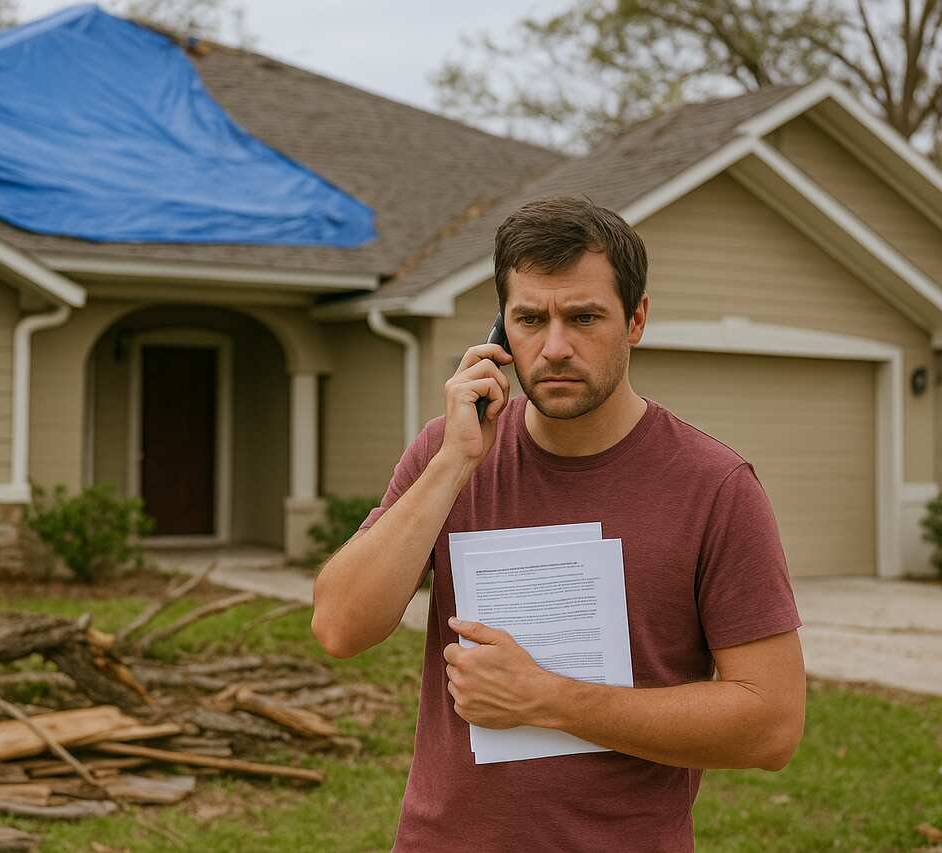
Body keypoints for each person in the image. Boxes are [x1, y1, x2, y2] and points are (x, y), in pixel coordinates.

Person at [311, 196, 806, 852]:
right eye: (529, 318)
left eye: (583, 317)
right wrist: (456, 461)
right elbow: (340, 626)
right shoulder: (449, 451)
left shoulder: (715, 487)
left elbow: (771, 725)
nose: (554, 346)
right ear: (499, 332)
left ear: (636, 320)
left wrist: (547, 698)